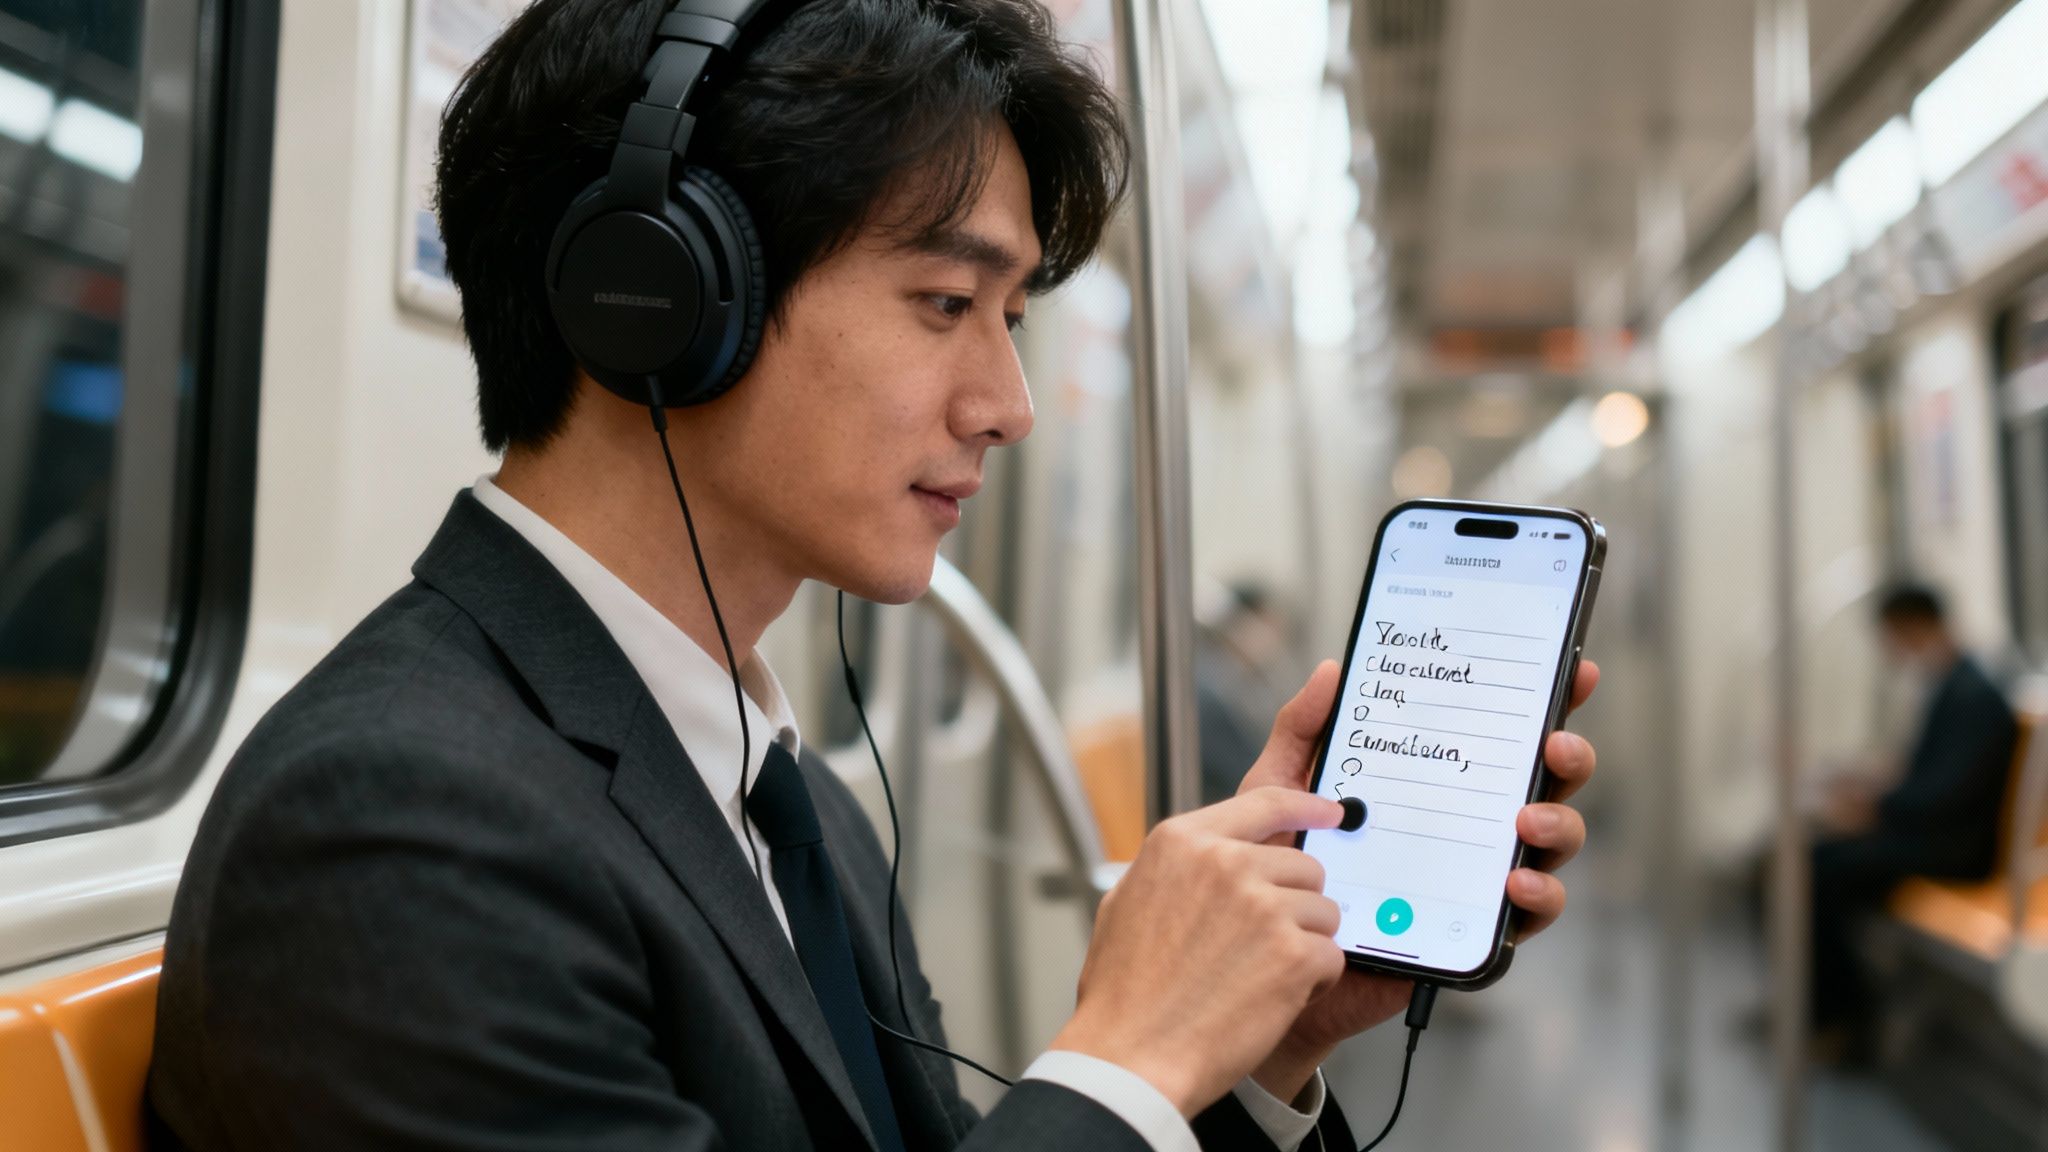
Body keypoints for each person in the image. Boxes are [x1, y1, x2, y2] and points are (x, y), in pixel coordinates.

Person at [145, 2, 1601, 1149]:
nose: (1009, 403)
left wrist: (1257, 1041)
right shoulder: (398, 830)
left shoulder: (790, 800)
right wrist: (1129, 1054)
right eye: (946, 304)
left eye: (1013, 316)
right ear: (661, 296)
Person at [1810, 583, 2019, 1035]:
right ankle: (1825, 1010)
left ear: (1911, 627)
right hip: (1936, 832)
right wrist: (1874, 792)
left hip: (1958, 849)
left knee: (1820, 870)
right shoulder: (1951, 684)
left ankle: (1844, 1019)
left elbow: (1948, 794)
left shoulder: (1973, 695)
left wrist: (1876, 808)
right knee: (1815, 859)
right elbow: (1929, 779)